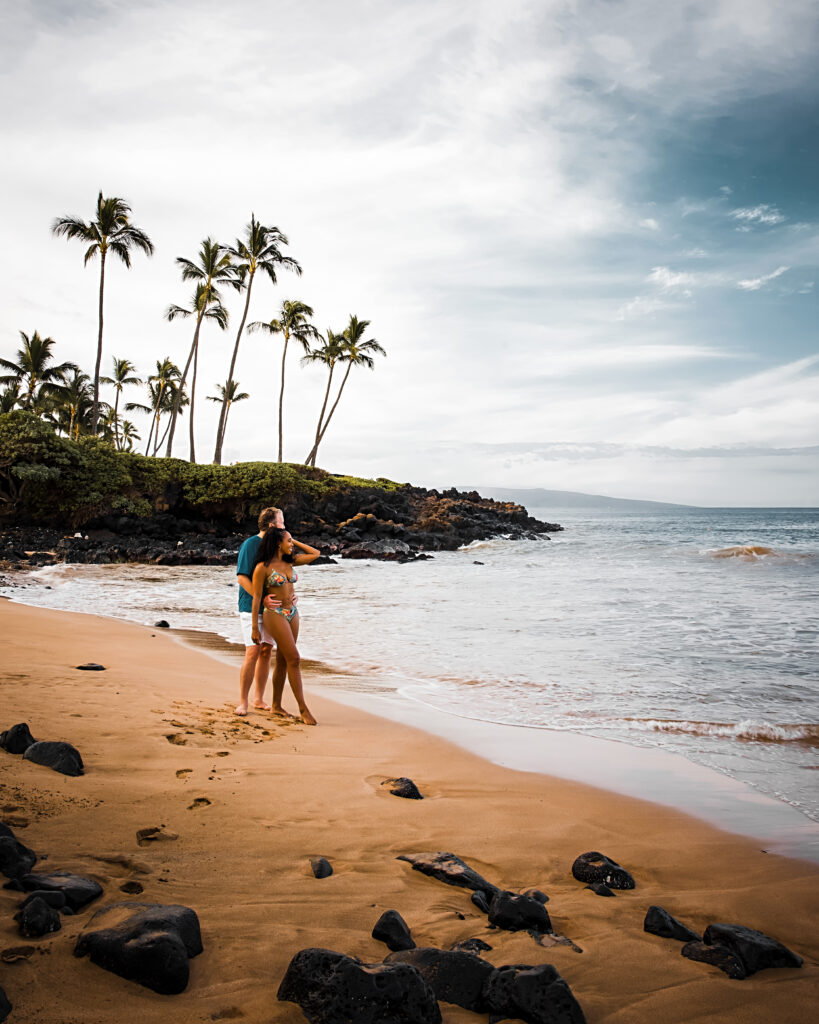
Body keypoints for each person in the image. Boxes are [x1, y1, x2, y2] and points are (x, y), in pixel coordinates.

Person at [250, 528, 320, 725]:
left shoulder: (291, 561)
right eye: (288, 541)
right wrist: (255, 627)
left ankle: (276, 706)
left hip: (292, 613)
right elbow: (256, 598)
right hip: (275, 614)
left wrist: (294, 542)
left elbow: (315, 554)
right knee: (295, 659)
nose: (291, 544)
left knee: (283, 661)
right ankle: (303, 708)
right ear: (277, 544)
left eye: (292, 541)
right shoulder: (262, 568)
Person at [235, 506, 286, 717]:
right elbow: (242, 577)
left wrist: (289, 595)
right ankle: (243, 702)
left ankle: (259, 699)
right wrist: (261, 596)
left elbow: (283, 575)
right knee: (253, 652)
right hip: (250, 607)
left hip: (273, 609)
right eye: (282, 522)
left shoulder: (278, 546)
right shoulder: (251, 544)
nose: (285, 525)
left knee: (266, 651)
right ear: (273, 525)